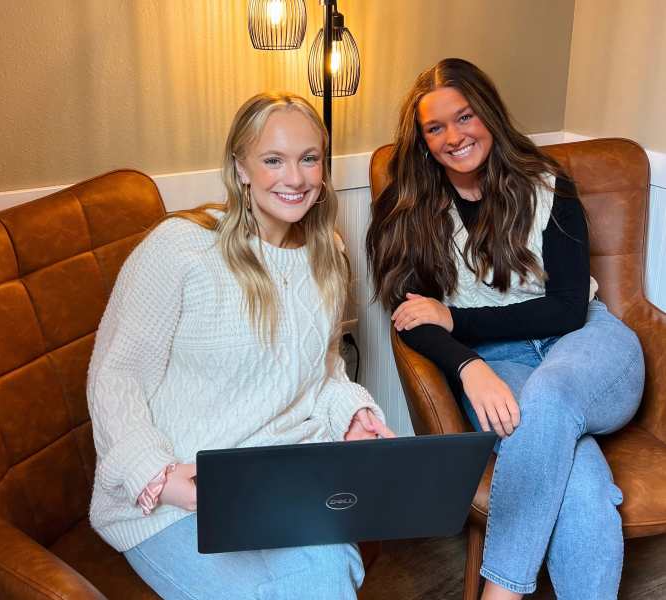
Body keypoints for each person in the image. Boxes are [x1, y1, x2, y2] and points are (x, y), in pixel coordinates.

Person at [87, 91, 393, 600]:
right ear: (241, 167)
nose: (294, 179)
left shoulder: (327, 253)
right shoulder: (180, 248)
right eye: (272, 159)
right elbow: (114, 376)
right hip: (177, 493)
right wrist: (160, 478)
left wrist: (352, 415)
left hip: (280, 482)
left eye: (308, 158)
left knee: (328, 565)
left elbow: (322, 374)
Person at [366, 58, 644, 600]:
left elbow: (566, 309)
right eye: (435, 127)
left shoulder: (546, 184)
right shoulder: (404, 209)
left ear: (488, 113)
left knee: (551, 395)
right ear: (422, 140)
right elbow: (412, 319)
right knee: (582, 487)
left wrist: (457, 320)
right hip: (500, 365)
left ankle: (501, 592)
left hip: (589, 345)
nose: (454, 136)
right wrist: (469, 366)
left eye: (464, 116)